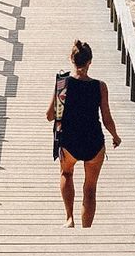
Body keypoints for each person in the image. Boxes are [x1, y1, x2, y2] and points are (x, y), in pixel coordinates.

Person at [46, 40, 120, 228]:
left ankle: (69, 218)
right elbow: (106, 118)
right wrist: (115, 136)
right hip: (93, 142)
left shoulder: (63, 84)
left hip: (69, 140)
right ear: (90, 62)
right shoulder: (100, 86)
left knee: (66, 173)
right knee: (90, 187)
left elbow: (49, 115)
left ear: (72, 59)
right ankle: (86, 230)